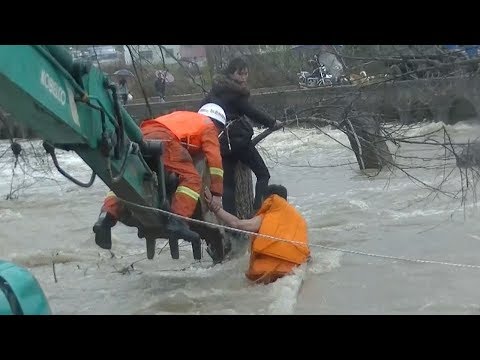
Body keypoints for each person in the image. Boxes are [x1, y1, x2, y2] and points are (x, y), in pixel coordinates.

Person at [92, 103, 226, 251]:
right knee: (192, 179)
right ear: (218, 125)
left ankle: (106, 217)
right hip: (165, 139)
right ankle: (177, 221)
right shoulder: (208, 125)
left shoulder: (183, 116)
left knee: (129, 178)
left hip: (141, 134)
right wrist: (217, 194)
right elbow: (215, 160)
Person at [200, 57, 283, 217]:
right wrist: (273, 122)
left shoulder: (214, 91)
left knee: (228, 184)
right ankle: (258, 211)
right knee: (263, 174)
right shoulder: (236, 93)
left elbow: (202, 109)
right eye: (241, 74)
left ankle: (231, 221)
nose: (244, 77)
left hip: (221, 142)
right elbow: (251, 111)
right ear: (232, 74)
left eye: (246, 74)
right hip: (238, 140)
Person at [204, 184, 310, 285]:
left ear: (265, 200)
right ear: (285, 200)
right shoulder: (299, 221)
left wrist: (214, 208)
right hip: (292, 271)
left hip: (266, 273)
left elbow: (236, 223)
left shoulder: (264, 218)